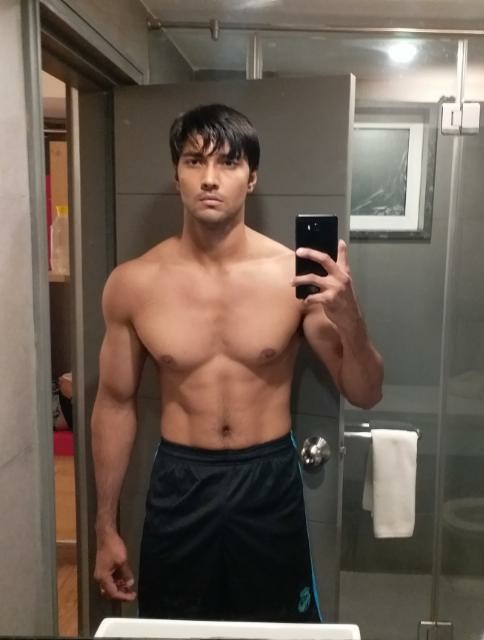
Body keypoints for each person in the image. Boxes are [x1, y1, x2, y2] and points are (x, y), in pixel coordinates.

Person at [91, 103, 383, 622]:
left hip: (267, 480)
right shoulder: (133, 283)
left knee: (279, 631)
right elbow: (114, 404)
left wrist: (350, 317)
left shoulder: (296, 277)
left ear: (251, 179)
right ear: (176, 175)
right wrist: (105, 526)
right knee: (172, 630)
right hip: (181, 482)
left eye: (228, 162)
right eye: (194, 161)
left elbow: (365, 391)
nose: (209, 178)